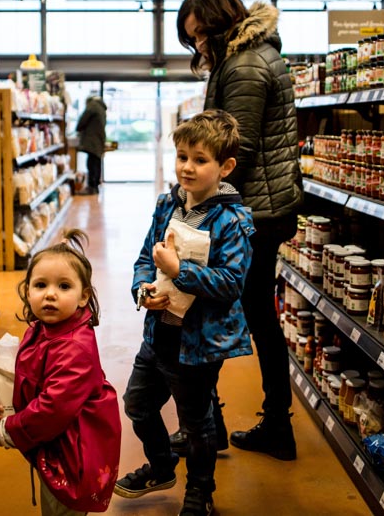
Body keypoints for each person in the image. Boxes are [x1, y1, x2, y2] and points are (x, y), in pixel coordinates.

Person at [175, 0, 302, 461]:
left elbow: (237, 149)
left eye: (200, 33)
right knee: (256, 314)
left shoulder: (245, 64)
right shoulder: (244, 56)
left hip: (255, 212)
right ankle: (269, 424)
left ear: (220, 22)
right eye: (192, 38)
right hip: (263, 209)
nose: (198, 44)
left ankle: (215, 427)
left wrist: (203, 204)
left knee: (220, 312)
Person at [115, 110, 254, 516]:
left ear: (225, 167)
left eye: (200, 159)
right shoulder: (167, 205)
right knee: (138, 404)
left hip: (199, 343)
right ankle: (162, 466)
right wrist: (143, 290)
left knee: (196, 423)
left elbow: (232, 283)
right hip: (159, 332)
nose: (187, 167)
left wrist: (180, 271)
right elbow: (146, 258)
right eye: (182, 157)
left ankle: (200, 490)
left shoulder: (232, 221)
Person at [0, 229, 121, 515]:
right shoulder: (40, 329)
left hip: (71, 455)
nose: (50, 294)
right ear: (28, 291)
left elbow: (53, 408)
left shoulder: (74, 348)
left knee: (61, 509)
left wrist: (10, 430)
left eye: (63, 286)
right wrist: (3, 396)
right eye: (40, 285)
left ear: (84, 296)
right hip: (53, 445)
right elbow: (29, 373)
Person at [75, 95, 107, 194]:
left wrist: (78, 128)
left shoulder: (92, 105)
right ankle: (95, 186)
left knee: (92, 163)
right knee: (96, 162)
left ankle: (92, 187)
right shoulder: (101, 108)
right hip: (99, 139)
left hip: (92, 139)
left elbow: (83, 120)